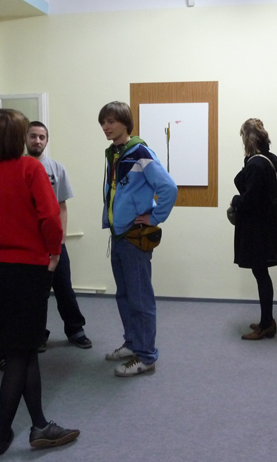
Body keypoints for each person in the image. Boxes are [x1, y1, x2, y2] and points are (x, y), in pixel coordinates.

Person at [0, 109, 79, 455]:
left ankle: (38, 425)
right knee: (21, 354)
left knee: (21, 350)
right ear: (18, 137)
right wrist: (53, 253)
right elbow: (50, 217)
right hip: (29, 270)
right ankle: (4, 432)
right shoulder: (29, 168)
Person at [99, 101, 177, 377]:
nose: (106, 127)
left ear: (125, 123)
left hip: (134, 236)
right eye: (103, 122)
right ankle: (132, 343)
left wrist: (154, 218)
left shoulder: (140, 152)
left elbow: (168, 187)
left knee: (140, 298)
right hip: (118, 234)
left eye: (111, 121)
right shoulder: (115, 153)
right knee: (124, 295)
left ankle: (146, 356)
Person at [26, 121, 92, 351]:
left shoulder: (56, 169)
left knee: (64, 287)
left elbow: (62, 206)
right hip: (30, 243)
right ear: (25, 139)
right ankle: (37, 334)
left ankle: (75, 330)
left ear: (47, 140)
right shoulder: (18, 167)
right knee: (36, 292)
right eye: (33, 136)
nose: (37, 141)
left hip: (54, 240)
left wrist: (60, 239)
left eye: (41, 137)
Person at [231, 118, 277, 340]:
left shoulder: (256, 164)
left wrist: (235, 200)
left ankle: (266, 325)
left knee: (261, 274)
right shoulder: (270, 159)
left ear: (247, 138)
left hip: (258, 228)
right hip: (269, 223)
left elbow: (249, 200)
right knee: (262, 273)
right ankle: (267, 321)